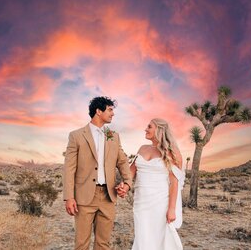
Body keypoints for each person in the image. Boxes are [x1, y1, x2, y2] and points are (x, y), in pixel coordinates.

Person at [63, 96, 132, 250]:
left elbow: (122, 161)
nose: (113, 114)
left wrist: (127, 183)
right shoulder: (76, 135)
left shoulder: (113, 136)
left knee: (103, 244)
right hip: (84, 197)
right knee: (81, 244)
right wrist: (69, 197)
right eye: (110, 110)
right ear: (98, 111)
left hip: (108, 196)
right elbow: (69, 168)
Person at [130, 118, 185, 250]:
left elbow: (174, 183)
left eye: (149, 127)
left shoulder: (173, 152)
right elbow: (130, 172)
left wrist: (171, 209)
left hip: (160, 202)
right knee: (142, 235)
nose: (145, 129)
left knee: (161, 236)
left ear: (159, 130)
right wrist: (124, 185)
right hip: (141, 202)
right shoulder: (142, 148)